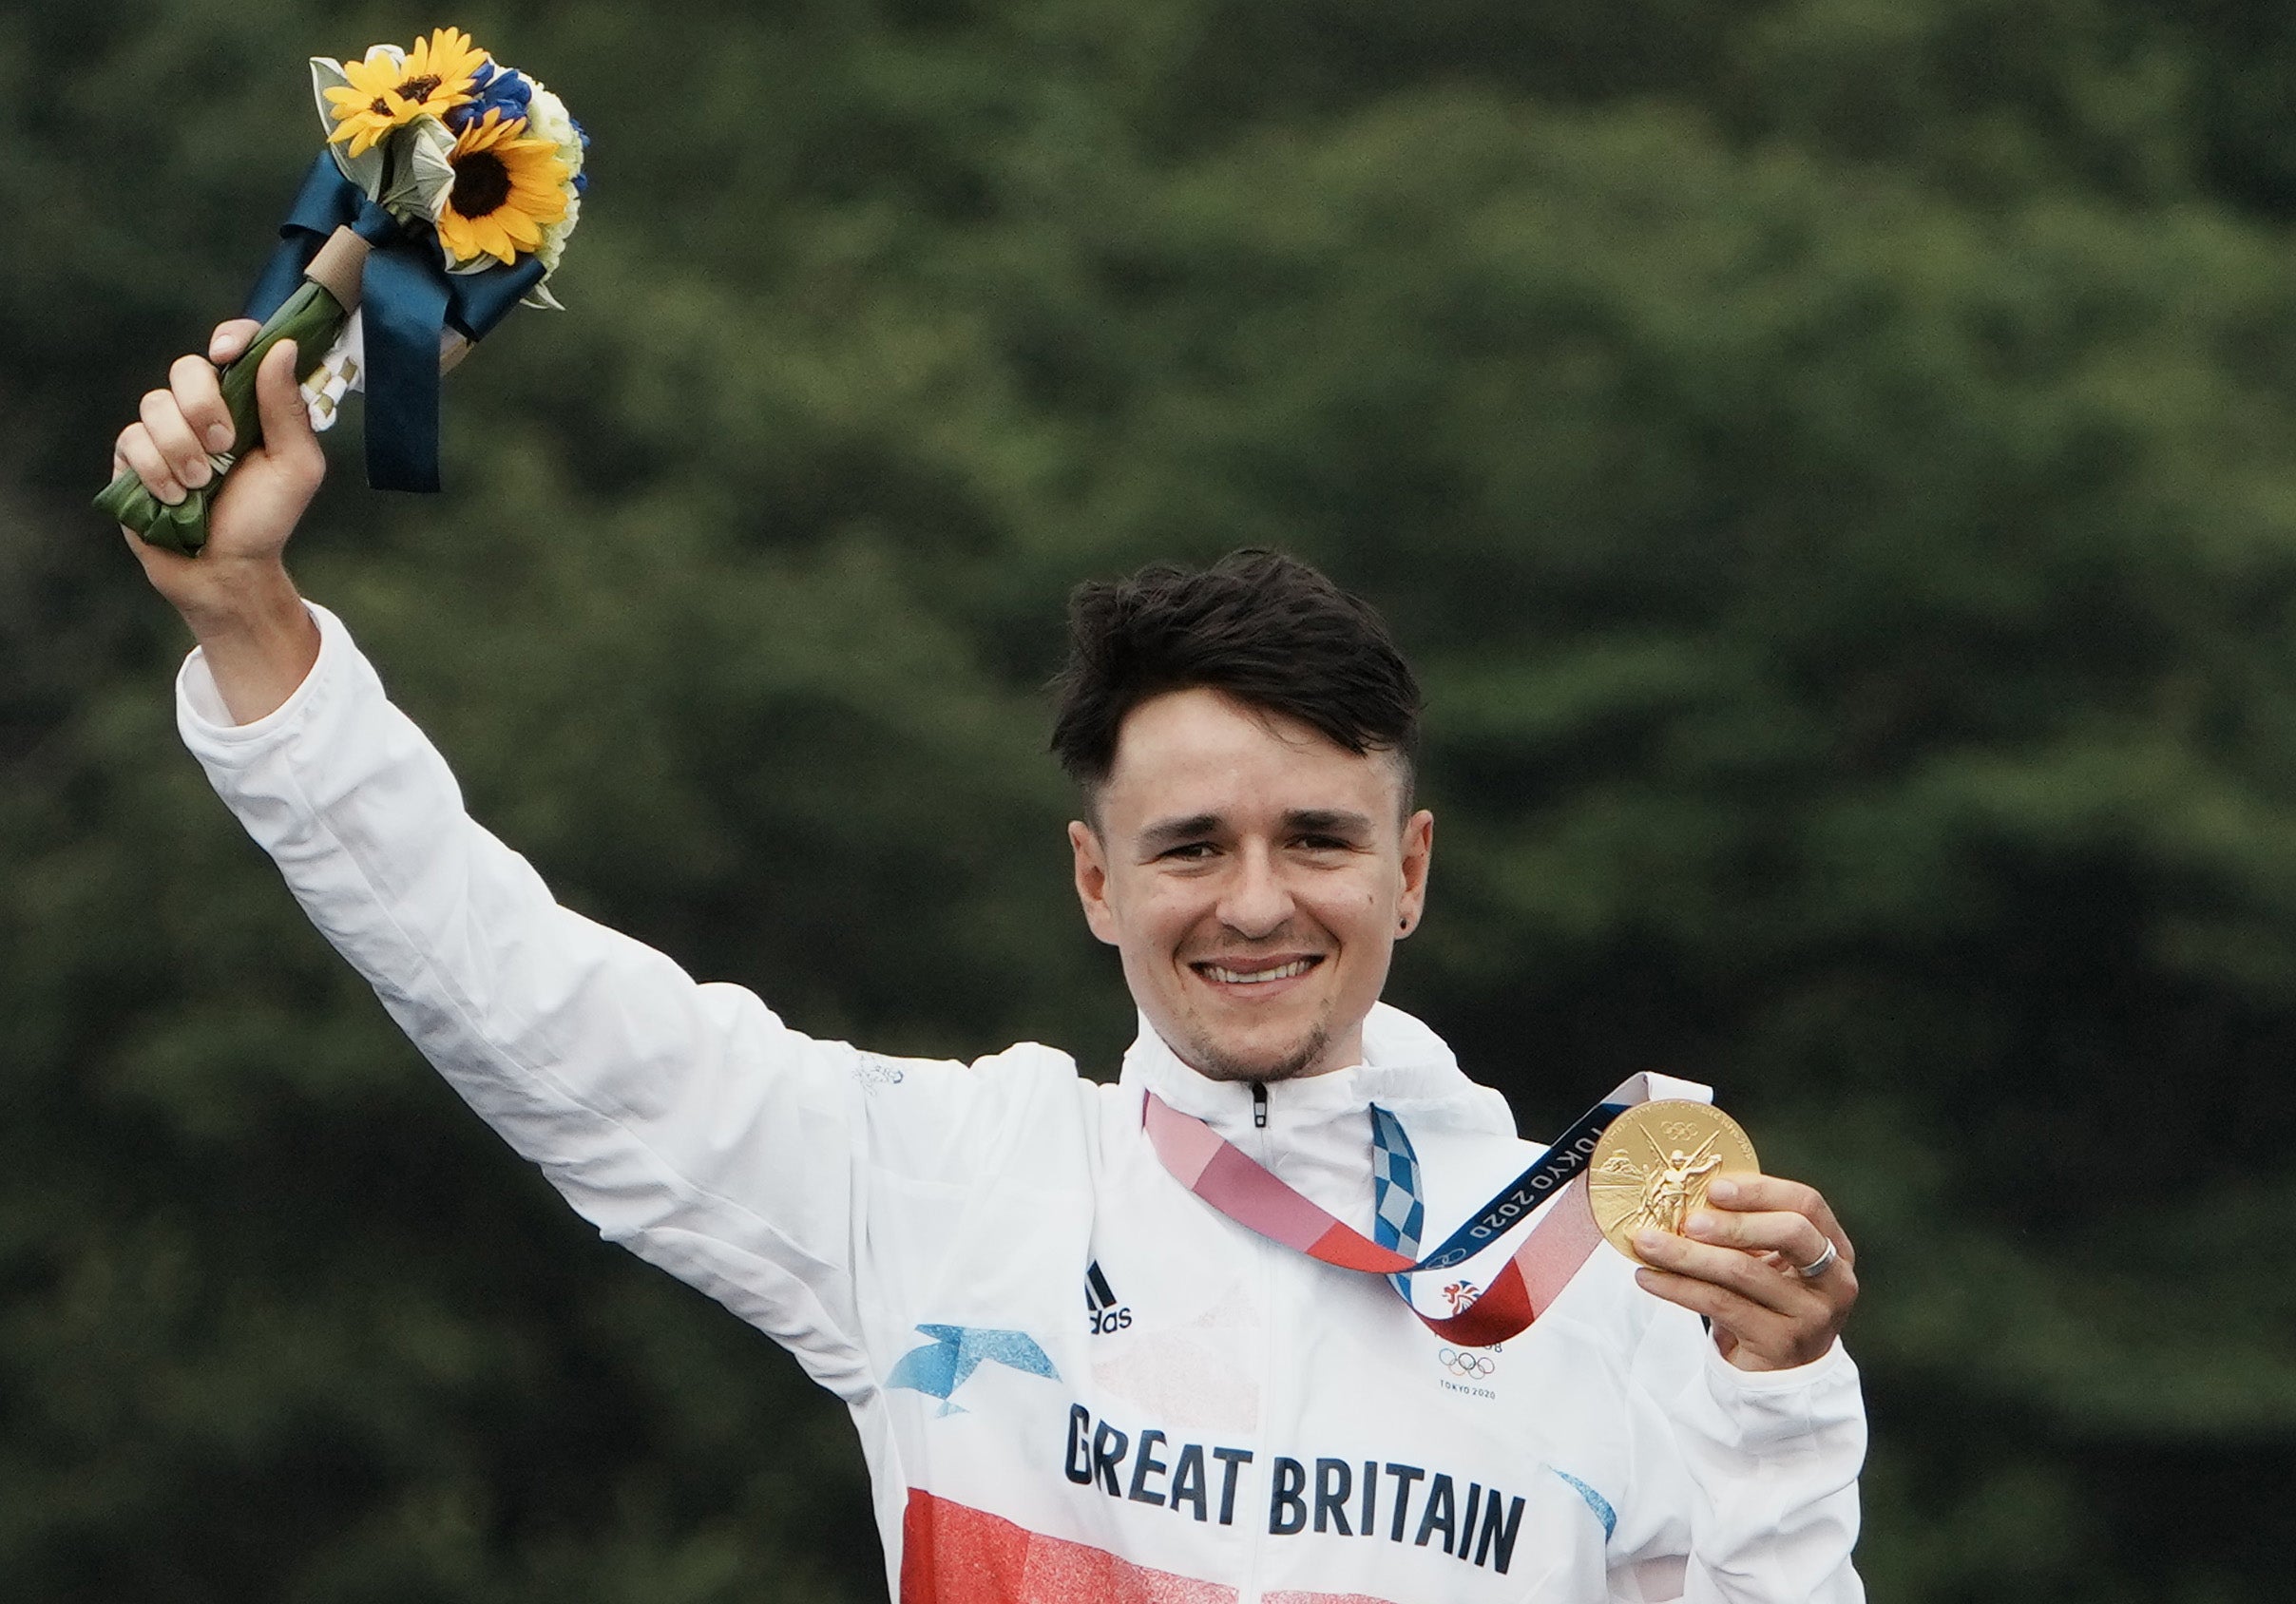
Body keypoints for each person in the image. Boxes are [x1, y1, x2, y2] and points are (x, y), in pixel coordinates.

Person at [113, 321, 1865, 1604]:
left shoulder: (1595, 1274)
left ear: (1409, 873)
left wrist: (1779, 1408)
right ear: (1095, 881)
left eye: (1317, 842)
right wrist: (254, 627)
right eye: (1192, 847)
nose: (1255, 902)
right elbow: (523, 996)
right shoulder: (951, 1186)